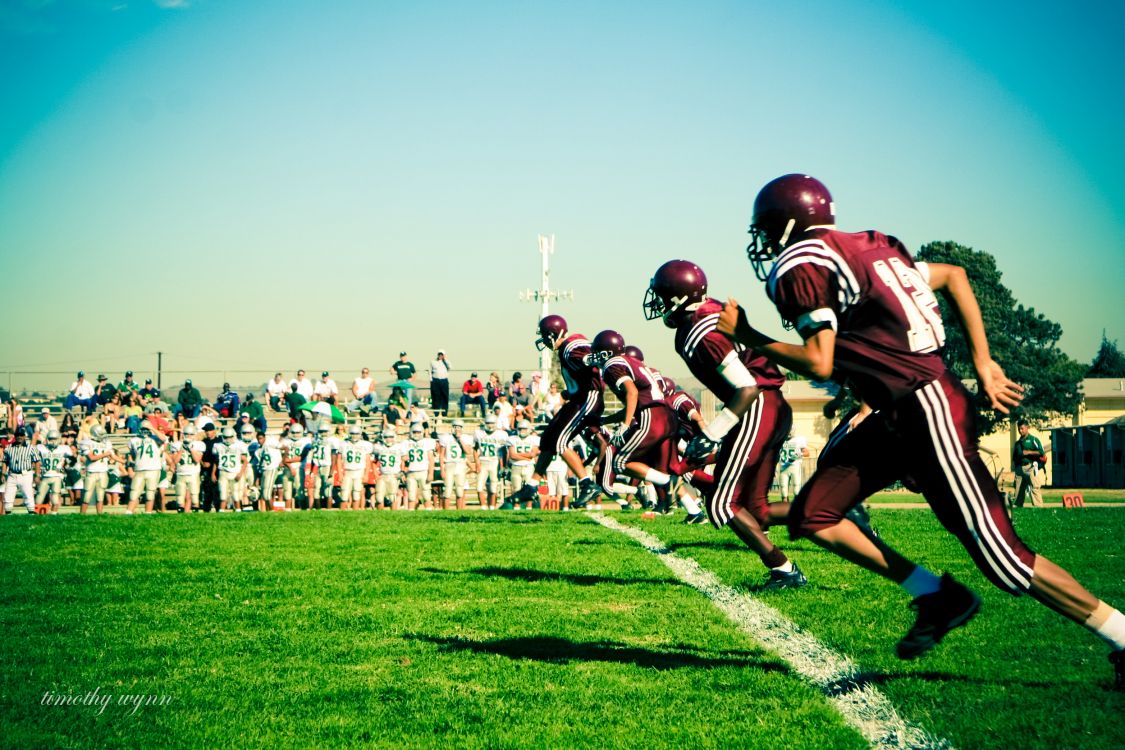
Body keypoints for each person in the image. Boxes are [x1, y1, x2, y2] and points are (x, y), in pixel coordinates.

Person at [718, 173, 1125, 686]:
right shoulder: (873, 247)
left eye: (767, 229)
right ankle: (936, 595)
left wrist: (750, 334)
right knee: (814, 514)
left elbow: (819, 364)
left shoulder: (801, 264)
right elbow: (954, 275)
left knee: (1005, 561)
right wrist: (983, 361)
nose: (764, 242)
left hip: (925, 406)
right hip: (898, 411)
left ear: (786, 225)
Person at [643, 262, 806, 590]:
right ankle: (837, 515)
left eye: (661, 295)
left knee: (721, 502)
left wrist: (712, 433)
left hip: (756, 405)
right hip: (769, 405)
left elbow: (746, 388)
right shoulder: (704, 315)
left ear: (678, 298)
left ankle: (784, 570)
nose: (656, 302)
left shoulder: (701, 329)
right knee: (756, 510)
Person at [509, 316, 604, 509]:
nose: (543, 340)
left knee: (560, 441)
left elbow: (588, 357)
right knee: (548, 439)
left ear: (553, 334)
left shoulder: (571, 346)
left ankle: (587, 484)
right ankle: (532, 485)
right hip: (577, 398)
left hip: (588, 399)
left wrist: (591, 358)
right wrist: (568, 392)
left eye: (545, 336)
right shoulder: (566, 348)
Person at [126, 420, 166, 514]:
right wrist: (130, 467)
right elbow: (131, 455)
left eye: (146, 429)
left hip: (153, 468)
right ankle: (128, 512)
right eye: (143, 429)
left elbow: (164, 439)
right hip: (139, 469)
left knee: (150, 493)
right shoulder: (134, 440)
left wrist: (151, 427)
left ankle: (148, 512)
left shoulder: (156, 438)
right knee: (134, 492)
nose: (145, 431)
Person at [474, 414, 508, 510]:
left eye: (492, 423)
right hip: (483, 460)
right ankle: (483, 507)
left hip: (494, 461)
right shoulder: (479, 433)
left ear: (496, 424)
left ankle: (492, 507)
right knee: (479, 487)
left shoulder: (501, 434)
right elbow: (475, 449)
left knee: (493, 487)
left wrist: (502, 466)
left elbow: (503, 452)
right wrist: (477, 463)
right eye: (488, 423)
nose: (490, 425)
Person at [168, 424, 205, 513]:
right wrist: (181, 450)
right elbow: (175, 461)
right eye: (186, 434)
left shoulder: (199, 444)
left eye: (191, 434)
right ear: (183, 434)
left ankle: (195, 514)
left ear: (195, 435)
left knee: (195, 495)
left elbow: (197, 460)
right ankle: (181, 515)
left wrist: (191, 449)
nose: (188, 436)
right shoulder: (177, 445)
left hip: (193, 473)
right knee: (180, 497)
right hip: (181, 473)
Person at [438, 420, 473, 510]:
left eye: (459, 427)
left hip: (460, 464)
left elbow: (468, 451)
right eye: (455, 427)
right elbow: (441, 454)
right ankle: (446, 511)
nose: (456, 429)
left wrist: (459, 439)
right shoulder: (446, 437)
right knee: (447, 490)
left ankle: (459, 511)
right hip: (449, 464)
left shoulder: (465, 438)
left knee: (460, 490)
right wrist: (442, 469)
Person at [2, 430, 39, 514]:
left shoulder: (31, 448)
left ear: (24, 436)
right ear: (15, 436)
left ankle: (31, 513)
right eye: (17, 435)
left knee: (28, 493)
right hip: (12, 474)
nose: (19, 437)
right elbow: (5, 461)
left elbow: (37, 461)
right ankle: (8, 514)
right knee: (8, 494)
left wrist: (37, 475)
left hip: (25, 474)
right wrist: (3, 474)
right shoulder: (9, 448)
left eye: (21, 435)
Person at [338, 425, 373, 510]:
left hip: (359, 471)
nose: (354, 435)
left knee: (356, 494)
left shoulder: (365, 444)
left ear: (360, 434)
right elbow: (339, 460)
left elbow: (368, 461)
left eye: (356, 434)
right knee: (344, 494)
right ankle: (341, 515)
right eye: (352, 433)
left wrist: (366, 474)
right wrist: (340, 473)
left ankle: (355, 513)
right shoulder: (343, 444)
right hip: (347, 471)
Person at [1012, 419, 1045, 508]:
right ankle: (1018, 506)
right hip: (1020, 468)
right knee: (1019, 488)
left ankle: (1038, 506)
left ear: (1027, 428)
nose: (1020, 431)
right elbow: (1014, 457)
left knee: (1035, 486)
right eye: (1019, 429)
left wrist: (1029, 452)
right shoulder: (1017, 443)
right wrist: (1015, 468)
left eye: (1022, 428)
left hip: (1031, 467)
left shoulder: (1034, 440)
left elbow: (1041, 452)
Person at [36, 430, 71, 513]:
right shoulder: (41, 448)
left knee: (55, 497)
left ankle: (54, 514)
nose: (53, 441)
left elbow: (72, 458)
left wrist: (64, 464)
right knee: (39, 497)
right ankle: (39, 514)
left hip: (57, 476)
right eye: (51, 439)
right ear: (47, 439)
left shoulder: (64, 448)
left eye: (55, 439)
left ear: (59, 439)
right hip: (45, 476)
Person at [403, 423, 436, 510]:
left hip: (423, 471)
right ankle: (411, 512)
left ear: (422, 432)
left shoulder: (427, 442)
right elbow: (402, 458)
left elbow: (431, 459)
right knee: (411, 494)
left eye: (418, 432)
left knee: (426, 494)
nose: (416, 434)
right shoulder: (406, 443)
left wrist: (431, 473)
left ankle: (428, 511)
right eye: (414, 432)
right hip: (411, 472)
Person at [777, 430, 810, 503]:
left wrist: (800, 454)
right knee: (783, 489)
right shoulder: (781, 440)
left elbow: (807, 453)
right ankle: (785, 509)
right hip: (783, 467)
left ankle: (796, 508)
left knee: (796, 488)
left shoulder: (798, 440)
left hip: (795, 466)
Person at [429, 351, 451, 417]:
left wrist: (445, 360)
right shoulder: (433, 362)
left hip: (444, 380)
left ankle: (444, 413)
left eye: (442, 354)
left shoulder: (446, 362)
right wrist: (431, 380)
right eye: (439, 354)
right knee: (436, 397)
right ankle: (436, 413)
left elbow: (450, 367)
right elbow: (430, 371)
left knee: (445, 397)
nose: (440, 356)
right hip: (435, 380)